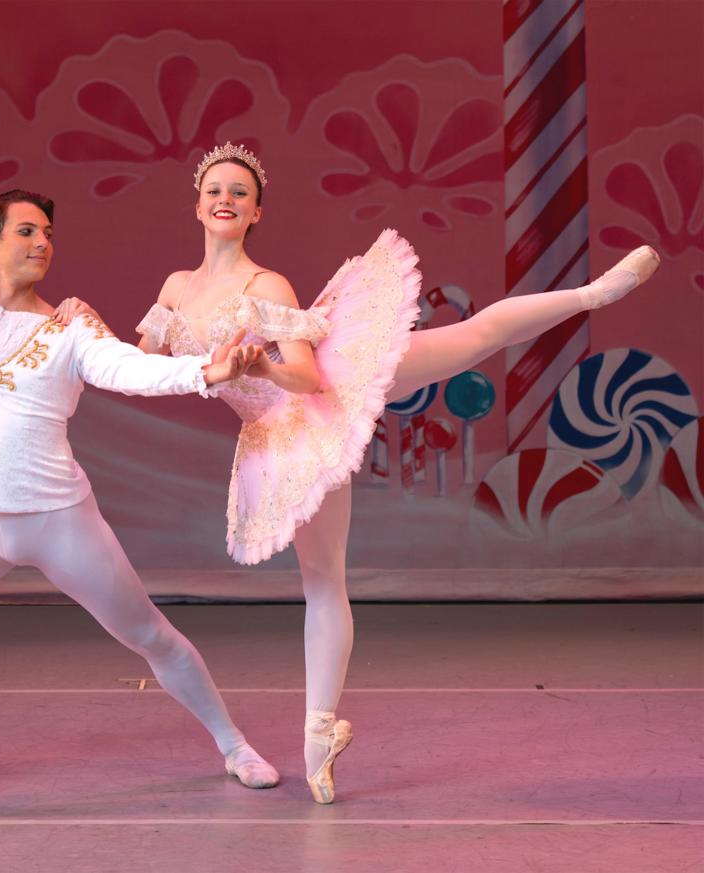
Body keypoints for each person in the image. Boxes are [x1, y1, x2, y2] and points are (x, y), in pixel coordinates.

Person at [55, 143, 660, 803]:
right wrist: (86, 327)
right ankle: (320, 737)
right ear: (197, 204)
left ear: (256, 211)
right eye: (214, 190)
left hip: (320, 395)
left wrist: (257, 366)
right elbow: (141, 366)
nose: (224, 199)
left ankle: (593, 292)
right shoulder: (177, 286)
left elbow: (307, 375)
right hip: (276, 437)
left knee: (472, 340)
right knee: (322, 579)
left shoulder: (267, 287)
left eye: (239, 192)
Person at [0, 50, 280, 819]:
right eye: (27, 232)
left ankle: (233, 743)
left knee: (152, 636)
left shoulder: (72, 332)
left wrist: (209, 369)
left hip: (60, 522)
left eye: (47, 234)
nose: (42, 242)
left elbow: (136, 370)